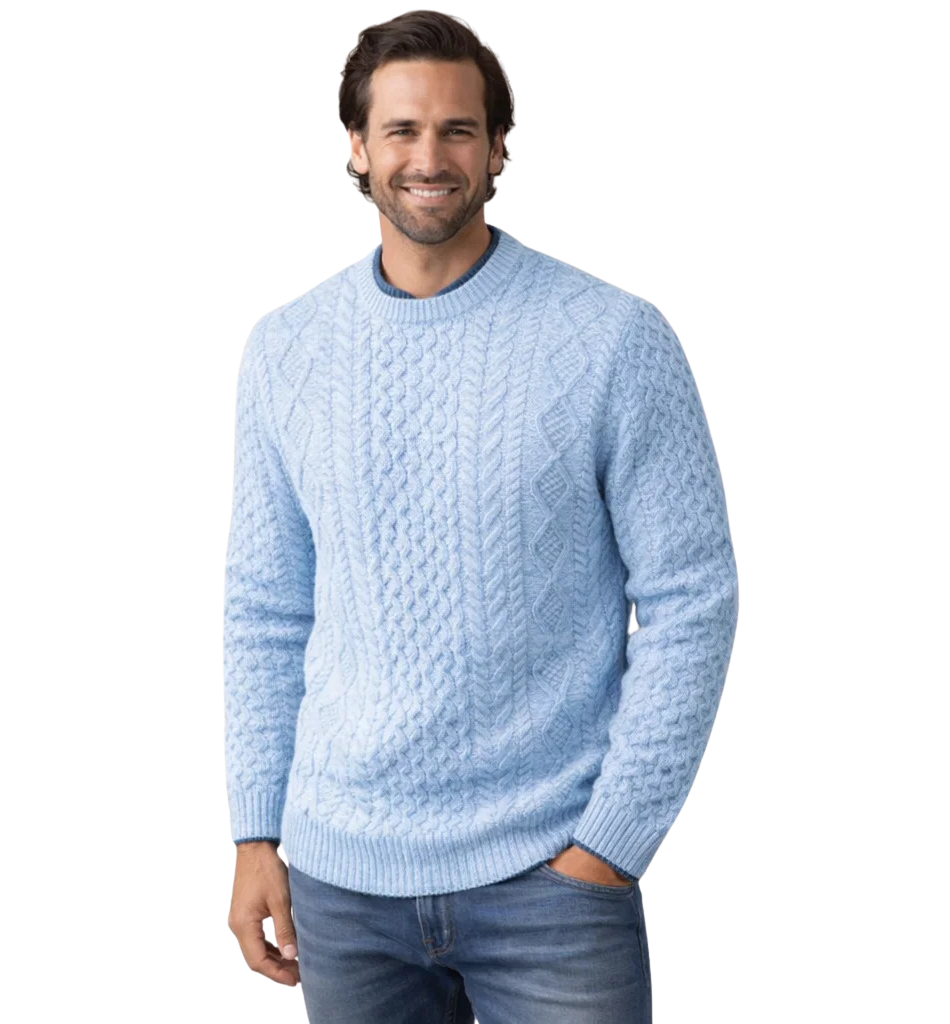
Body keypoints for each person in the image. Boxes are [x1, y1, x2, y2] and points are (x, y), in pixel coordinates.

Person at [223, 10, 738, 1022]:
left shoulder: (612, 339)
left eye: (458, 129)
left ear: (499, 146)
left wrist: (609, 846)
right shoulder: (286, 350)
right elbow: (265, 607)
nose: (429, 157)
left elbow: (692, 598)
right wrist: (254, 832)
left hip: (551, 883)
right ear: (357, 147)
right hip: (340, 884)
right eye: (402, 130)